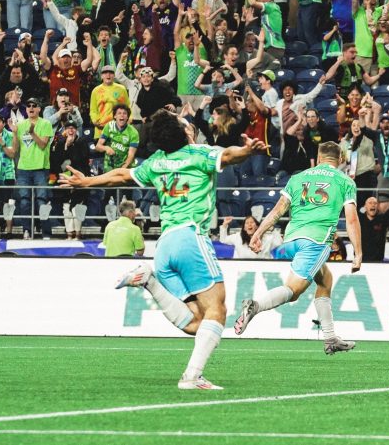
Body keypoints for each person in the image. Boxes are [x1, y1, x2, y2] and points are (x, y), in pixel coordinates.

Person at [61, 109, 267, 390]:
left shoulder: (156, 162)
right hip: (191, 237)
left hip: (165, 245)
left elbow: (121, 174)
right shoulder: (199, 155)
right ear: (183, 133)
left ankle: (149, 280)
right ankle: (192, 377)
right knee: (217, 310)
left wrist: (86, 181)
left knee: (198, 322)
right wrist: (248, 149)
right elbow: (230, 156)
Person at [233, 141, 362, 356]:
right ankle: (254, 306)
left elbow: (277, 210)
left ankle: (330, 338)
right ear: (340, 160)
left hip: (291, 240)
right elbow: (352, 219)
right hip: (316, 241)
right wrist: (358, 253)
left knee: (325, 279)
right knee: (293, 292)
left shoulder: (298, 178)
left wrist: (258, 233)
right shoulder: (344, 181)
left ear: (319, 158)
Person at [10, 98, 54, 239]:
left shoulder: (46, 123)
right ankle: (26, 230)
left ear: (39, 109)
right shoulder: (21, 124)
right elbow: (15, 149)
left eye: (34, 105)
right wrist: (15, 133)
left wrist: (32, 132)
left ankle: (46, 232)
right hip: (23, 169)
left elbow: (42, 145)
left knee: (42, 200)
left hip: (40, 168)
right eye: (28, 106)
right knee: (24, 201)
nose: (30, 108)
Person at [359, 196, 389, 262]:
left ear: (378, 207)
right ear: (365, 207)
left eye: (375, 203)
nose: (373, 205)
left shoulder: (382, 220)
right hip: (361, 262)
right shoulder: (359, 220)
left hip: (378, 263)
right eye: (370, 203)